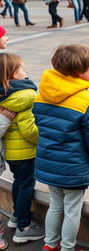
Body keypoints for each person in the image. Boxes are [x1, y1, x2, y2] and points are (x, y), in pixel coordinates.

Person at [33, 44, 89, 251]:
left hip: (48, 162)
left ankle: (50, 244)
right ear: (80, 73)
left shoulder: (41, 94)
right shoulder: (87, 101)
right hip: (73, 167)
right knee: (73, 209)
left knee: (55, 205)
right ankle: (67, 248)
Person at [0, 53, 44, 243]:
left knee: (18, 181)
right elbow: (29, 130)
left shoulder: (4, 94)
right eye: (23, 69)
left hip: (10, 152)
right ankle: (23, 228)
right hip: (26, 152)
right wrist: (42, 138)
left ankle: (16, 216)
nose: (25, 72)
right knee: (27, 186)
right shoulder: (25, 96)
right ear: (14, 74)